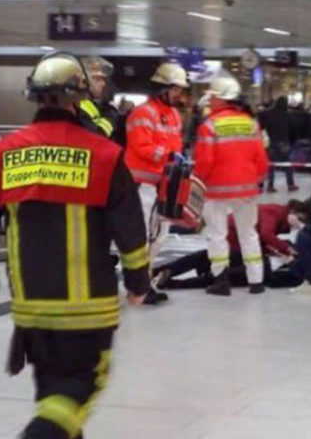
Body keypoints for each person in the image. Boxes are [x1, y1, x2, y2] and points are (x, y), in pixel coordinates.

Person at [0, 52, 150, 439]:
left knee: (52, 393)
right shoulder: (103, 155)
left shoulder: (3, 155)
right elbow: (129, 227)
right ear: (80, 97)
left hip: (31, 309)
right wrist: (138, 280)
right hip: (88, 310)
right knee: (75, 394)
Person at [194, 75, 269, 296]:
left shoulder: (209, 125)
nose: (210, 101)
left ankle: (221, 281)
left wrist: (199, 180)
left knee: (217, 234)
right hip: (246, 189)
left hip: (216, 190)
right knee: (249, 233)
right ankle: (256, 281)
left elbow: (204, 162)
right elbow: (261, 158)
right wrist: (256, 179)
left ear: (221, 99)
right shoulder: (251, 123)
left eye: (212, 97)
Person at [125, 62, 188, 304]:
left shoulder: (173, 115)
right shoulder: (143, 113)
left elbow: (175, 145)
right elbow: (141, 147)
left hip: (164, 185)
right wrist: (169, 156)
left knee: (160, 235)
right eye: (175, 89)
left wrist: (176, 161)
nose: (179, 94)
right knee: (144, 237)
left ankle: (145, 283)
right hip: (144, 185)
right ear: (162, 88)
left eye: (180, 90)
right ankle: (138, 287)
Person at [153, 203, 298, 289]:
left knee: (214, 268)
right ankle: (166, 279)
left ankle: (163, 276)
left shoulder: (275, 215)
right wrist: (286, 250)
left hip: (255, 259)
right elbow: (266, 234)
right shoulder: (276, 213)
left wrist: (287, 257)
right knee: (213, 267)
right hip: (246, 251)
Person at [261, 96, 297, 192]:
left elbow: (262, 126)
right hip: (284, 141)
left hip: (271, 141)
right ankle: (290, 184)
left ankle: (270, 185)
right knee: (287, 164)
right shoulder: (287, 114)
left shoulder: (267, 114)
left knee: (271, 165)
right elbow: (292, 129)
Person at [79, 56, 117, 140]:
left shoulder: (91, 105)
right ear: (83, 80)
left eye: (103, 79)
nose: (103, 84)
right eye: (97, 79)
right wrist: (110, 116)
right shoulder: (77, 108)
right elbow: (96, 138)